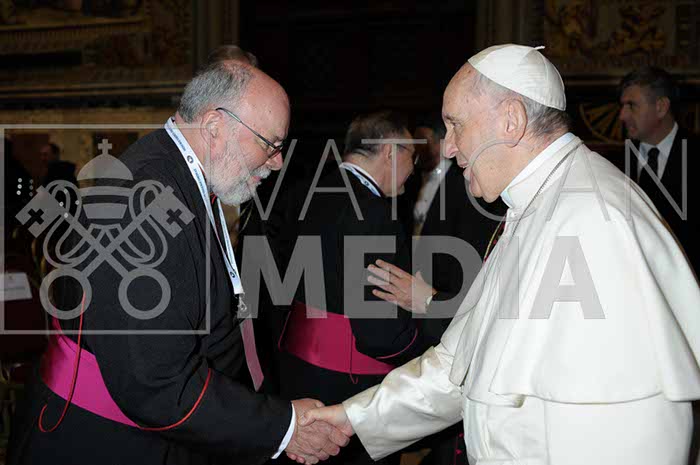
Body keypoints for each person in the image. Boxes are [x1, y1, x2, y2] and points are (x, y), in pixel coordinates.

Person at [299, 44, 700, 465]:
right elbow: (458, 366)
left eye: (456, 125)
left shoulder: (592, 220)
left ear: (511, 120)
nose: (447, 148)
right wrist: (352, 417)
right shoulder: (535, 202)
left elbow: (628, 435)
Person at [8, 61, 349, 465]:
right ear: (214, 126)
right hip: (103, 441)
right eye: (269, 143)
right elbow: (157, 384)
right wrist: (283, 427)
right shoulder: (144, 205)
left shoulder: (178, 172)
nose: (276, 162)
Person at [275, 111, 446, 465]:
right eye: (412, 158)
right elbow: (378, 333)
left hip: (294, 373)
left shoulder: (303, 192)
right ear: (391, 152)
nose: (413, 169)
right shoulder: (373, 213)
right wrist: (430, 349)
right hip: (348, 386)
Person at [618, 66, 699, 273]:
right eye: (622, 106)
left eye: (631, 105)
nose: (622, 116)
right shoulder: (615, 162)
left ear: (661, 107)